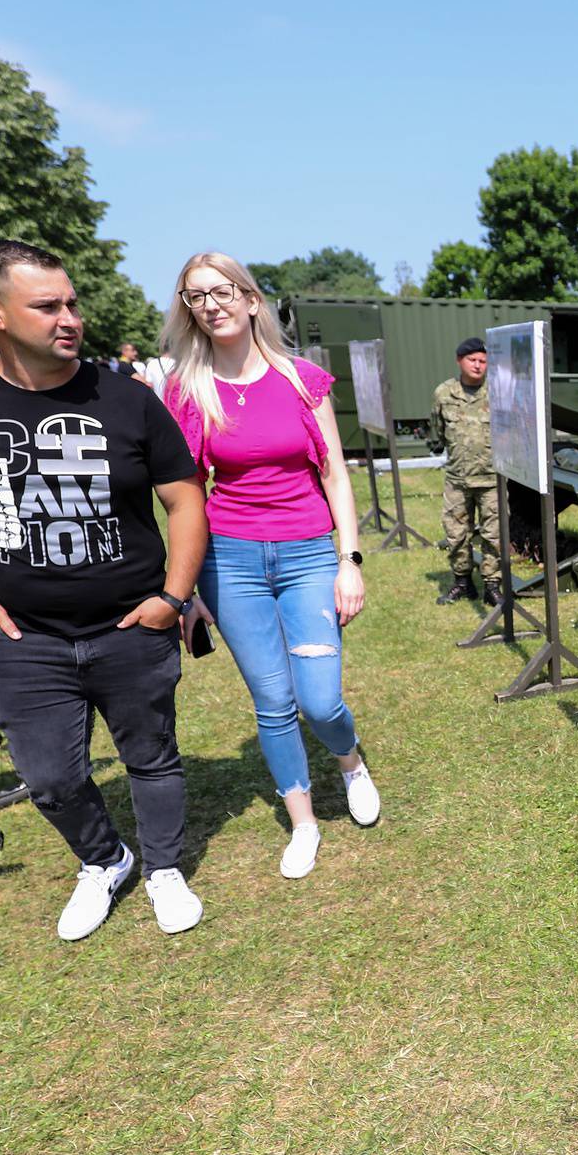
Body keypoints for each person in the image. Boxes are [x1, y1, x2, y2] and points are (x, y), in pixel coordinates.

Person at [0, 239, 209, 941]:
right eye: (48, 306)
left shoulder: (125, 398)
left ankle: (163, 867)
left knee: (151, 756)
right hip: (22, 635)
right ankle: (105, 860)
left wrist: (172, 596)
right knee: (50, 780)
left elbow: (186, 498)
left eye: (71, 303)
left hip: (132, 624)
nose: (69, 318)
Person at [160, 251, 380, 880]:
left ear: (252, 300)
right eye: (197, 295)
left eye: (223, 290)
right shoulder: (185, 389)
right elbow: (184, 495)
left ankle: (351, 762)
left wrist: (349, 560)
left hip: (310, 553)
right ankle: (303, 821)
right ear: (189, 310)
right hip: (230, 562)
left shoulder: (301, 379)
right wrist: (187, 587)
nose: (212, 303)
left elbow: (335, 473)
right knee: (272, 701)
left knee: (320, 700)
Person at [431, 338, 502, 605]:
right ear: (459, 361)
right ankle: (462, 582)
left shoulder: (497, 392)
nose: (478, 365)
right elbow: (437, 430)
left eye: (483, 361)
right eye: (472, 359)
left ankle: (492, 585)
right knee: (456, 533)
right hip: (457, 480)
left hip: (492, 479)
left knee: (493, 534)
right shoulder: (444, 393)